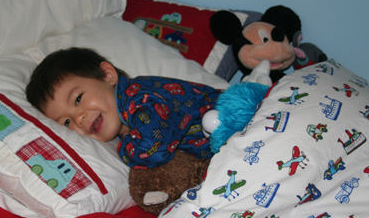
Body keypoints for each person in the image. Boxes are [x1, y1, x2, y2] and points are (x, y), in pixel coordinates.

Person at [26, 47, 222, 169]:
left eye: (78, 99)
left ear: (108, 75)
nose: (79, 119)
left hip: (236, 120)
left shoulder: (140, 98)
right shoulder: (126, 120)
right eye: (67, 122)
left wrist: (124, 151)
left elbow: (154, 150)